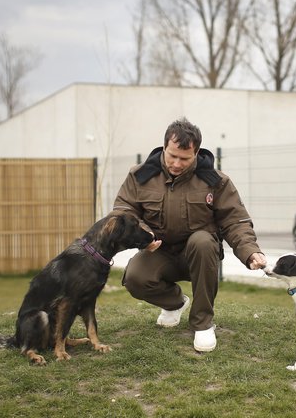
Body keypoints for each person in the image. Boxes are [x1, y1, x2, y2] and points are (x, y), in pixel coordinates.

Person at [113, 117, 267, 352]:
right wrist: (143, 236)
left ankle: (202, 324)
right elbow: (124, 212)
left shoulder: (216, 182)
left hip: (199, 254)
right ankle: (175, 303)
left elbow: (235, 221)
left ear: (196, 153)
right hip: (160, 252)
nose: (176, 163)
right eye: (172, 155)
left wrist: (250, 252)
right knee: (134, 278)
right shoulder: (139, 176)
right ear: (164, 147)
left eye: (184, 158)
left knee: (203, 240)